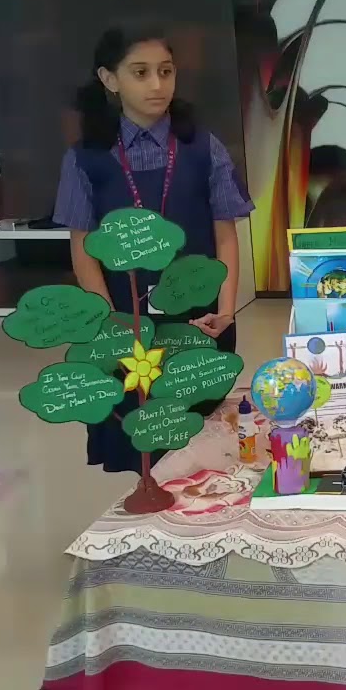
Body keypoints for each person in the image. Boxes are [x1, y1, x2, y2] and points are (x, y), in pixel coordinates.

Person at [55, 27, 253, 474]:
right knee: (141, 447)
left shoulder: (203, 147)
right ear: (109, 79)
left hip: (199, 322)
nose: (157, 85)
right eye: (140, 73)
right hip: (128, 327)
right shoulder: (86, 158)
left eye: (166, 72)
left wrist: (226, 312)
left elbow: (225, 236)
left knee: (204, 446)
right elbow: (83, 252)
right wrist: (112, 326)